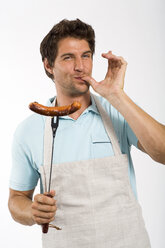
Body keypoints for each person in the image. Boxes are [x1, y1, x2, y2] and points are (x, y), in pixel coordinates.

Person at [8, 19, 165, 247]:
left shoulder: (118, 112)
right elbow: (16, 200)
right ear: (48, 65)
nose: (80, 66)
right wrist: (32, 211)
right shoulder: (28, 131)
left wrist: (117, 96)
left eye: (86, 55)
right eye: (68, 57)